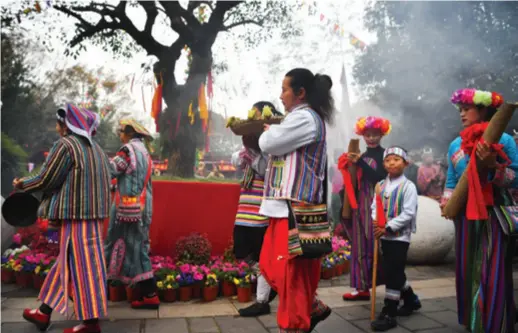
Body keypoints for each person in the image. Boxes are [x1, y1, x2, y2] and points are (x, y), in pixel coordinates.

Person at [16, 104, 111, 333]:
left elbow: (47, 178)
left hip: (77, 216)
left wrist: (23, 184)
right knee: (67, 262)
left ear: (67, 125)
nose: (57, 128)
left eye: (59, 124)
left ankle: (90, 324)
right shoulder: (96, 148)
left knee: (85, 266)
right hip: (94, 216)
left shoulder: (66, 145)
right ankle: (44, 313)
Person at [258, 68, 333, 333]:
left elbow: (269, 143)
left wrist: (268, 133)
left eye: (285, 89)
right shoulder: (299, 118)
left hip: (294, 209)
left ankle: (295, 324)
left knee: (289, 276)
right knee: (273, 267)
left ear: (300, 93)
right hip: (287, 208)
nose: (281, 96)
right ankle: (310, 307)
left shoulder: (304, 118)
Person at [441, 88, 517, 333]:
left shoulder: (504, 140)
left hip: (493, 212)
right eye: (460, 110)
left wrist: (493, 167)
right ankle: (472, 320)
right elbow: (452, 180)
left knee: (491, 268)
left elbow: (516, 178)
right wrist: (447, 202)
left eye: (467, 109)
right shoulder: (455, 144)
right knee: (465, 268)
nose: (462, 114)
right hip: (464, 215)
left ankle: (493, 323)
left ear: (483, 109)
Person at [231, 101, 282, 317]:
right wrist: (246, 149)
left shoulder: (272, 148)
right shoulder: (248, 150)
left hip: (260, 214)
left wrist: (254, 152)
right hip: (244, 211)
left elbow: (264, 170)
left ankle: (262, 300)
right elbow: (234, 162)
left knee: (261, 256)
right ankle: (268, 281)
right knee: (241, 252)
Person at [104, 118, 158, 310]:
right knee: (139, 245)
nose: (120, 135)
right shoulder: (145, 152)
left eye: (121, 131)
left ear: (128, 133)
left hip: (127, 207)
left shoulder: (126, 151)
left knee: (121, 244)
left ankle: (149, 293)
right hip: (144, 206)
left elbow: (111, 170)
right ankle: (146, 292)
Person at [370, 146, 421, 331]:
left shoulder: (409, 187)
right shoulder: (381, 186)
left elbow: (408, 213)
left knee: (393, 273)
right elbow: (374, 206)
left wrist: (388, 227)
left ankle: (389, 312)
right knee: (394, 271)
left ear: (405, 163)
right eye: (388, 160)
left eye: (396, 159)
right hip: (384, 236)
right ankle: (411, 300)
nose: (392, 163)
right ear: (384, 164)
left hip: (400, 237)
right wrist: (376, 221)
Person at [342, 116, 390, 301]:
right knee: (359, 244)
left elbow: (378, 176)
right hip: (358, 204)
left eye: (375, 135)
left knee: (377, 244)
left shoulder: (384, 155)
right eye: (367, 135)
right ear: (362, 135)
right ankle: (361, 287)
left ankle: (397, 284)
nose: (371, 138)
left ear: (381, 134)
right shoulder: (358, 154)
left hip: (376, 202)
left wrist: (360, 162)